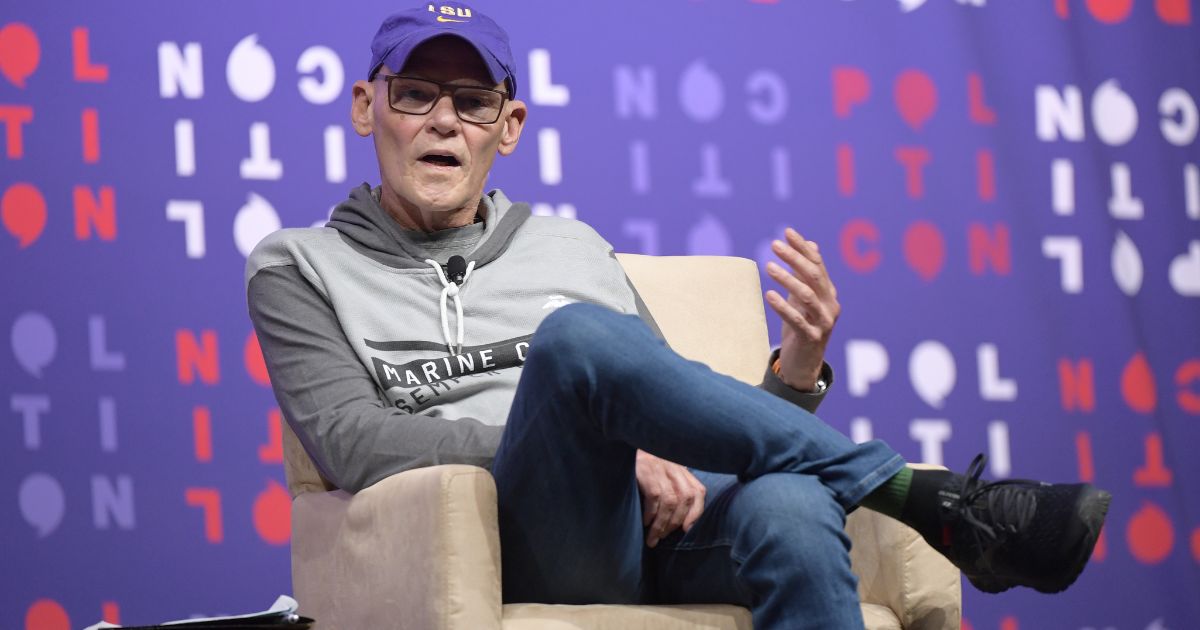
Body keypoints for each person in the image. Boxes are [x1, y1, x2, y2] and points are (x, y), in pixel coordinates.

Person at [246, 4, 1110, 628]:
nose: (444, 120)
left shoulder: (571, 246)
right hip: (499, 536)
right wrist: (584, 440)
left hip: (641, 537)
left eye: (472, 101)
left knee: (789, 508)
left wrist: (793, 375)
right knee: (576, 341)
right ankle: (922, 494)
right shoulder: (297, 265)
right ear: (367, 106)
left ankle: (927, 503)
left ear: (507, 127)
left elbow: (677, 420)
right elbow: (355, 441)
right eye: (417, 94)